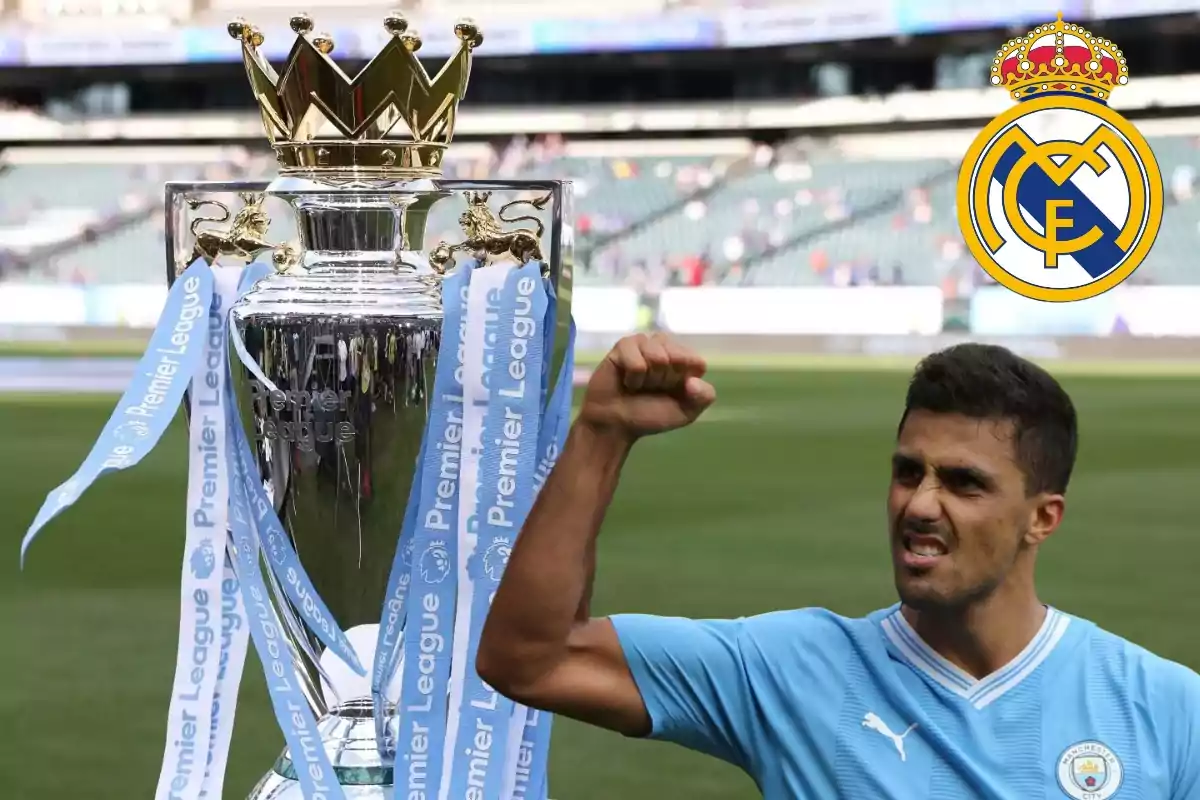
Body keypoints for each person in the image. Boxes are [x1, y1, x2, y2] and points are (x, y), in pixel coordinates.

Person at [477, 333, 1200, 799]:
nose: (919, 504)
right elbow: (530, 658)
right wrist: (602, 433)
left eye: (963, 483)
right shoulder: (793, 670)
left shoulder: (1168, 710)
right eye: (907, 471)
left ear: (1043, 517)